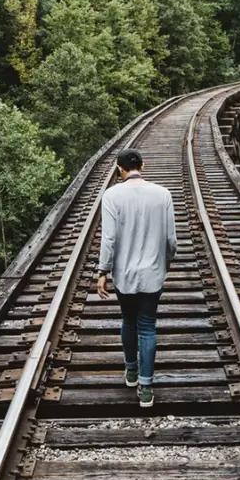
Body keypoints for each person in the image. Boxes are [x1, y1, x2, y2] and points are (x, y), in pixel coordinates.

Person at [96, 147, 177, 407]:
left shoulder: (111, 196)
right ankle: (145, 388)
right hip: (152, 273)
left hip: (125, 274)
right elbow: (171, 240)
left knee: (128, 321)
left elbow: (108, 238)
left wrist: (103, 271)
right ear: (143, 166)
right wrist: (167, 260)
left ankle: (131, 371)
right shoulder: (163, 194)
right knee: (147, 326)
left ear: (119, 169)